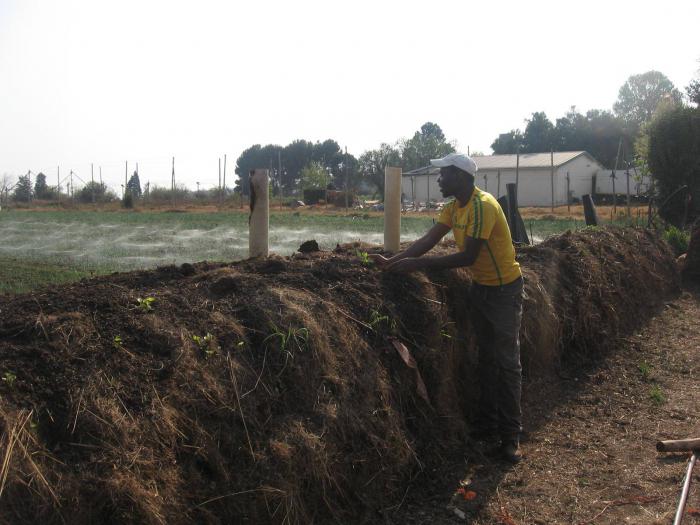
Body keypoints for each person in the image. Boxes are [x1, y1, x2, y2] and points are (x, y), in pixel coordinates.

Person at [370, 152, 524, 463]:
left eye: (444, 174)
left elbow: (467, 257)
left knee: (507, 363)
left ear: (462, 177)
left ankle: (511, 438)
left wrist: (419, 265)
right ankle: (487, 426)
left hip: (505, 291)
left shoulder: (483, 206)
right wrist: (394, 260)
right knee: (487, 360)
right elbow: (429, 238)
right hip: (482, 289)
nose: (439, 178)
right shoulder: (455, 207)